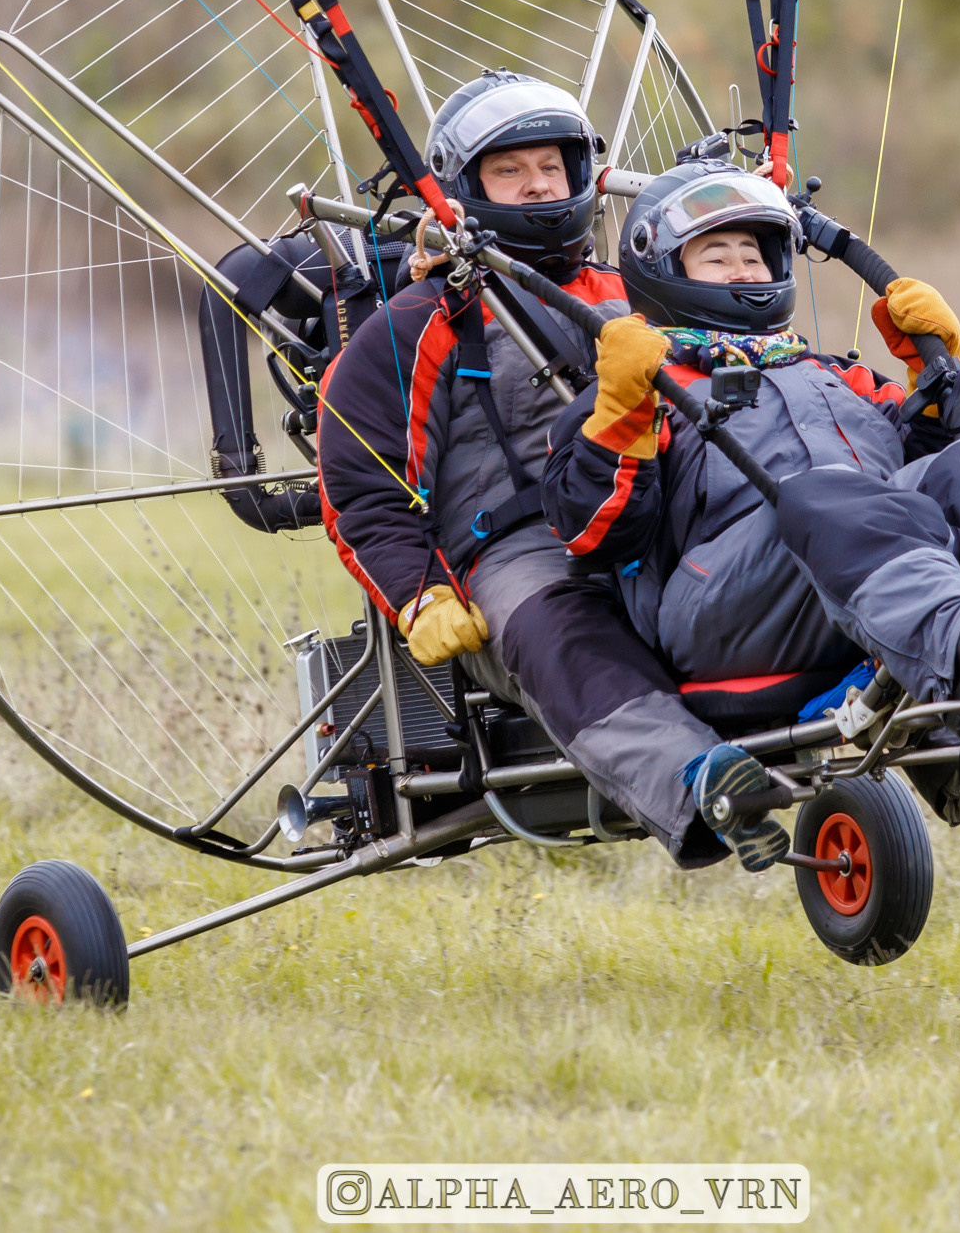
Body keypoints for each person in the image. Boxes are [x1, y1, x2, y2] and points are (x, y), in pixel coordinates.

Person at [539, 161, 960, 869]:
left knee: (957, 468)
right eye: (718, 255)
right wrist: (623, 408)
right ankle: (959, 634)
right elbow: (591, 530)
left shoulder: (830, 372)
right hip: (721, 620)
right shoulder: (629, 391)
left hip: (845, 592)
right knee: (822, 490)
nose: (743, 268)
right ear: (660, 269)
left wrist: (940, 380)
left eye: (754, 252)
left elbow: (923, 465)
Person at [313, 71, 732, 864]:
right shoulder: (414, 325)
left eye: (551, 166)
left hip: (655, 512)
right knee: (559, 630)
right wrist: (418, 592)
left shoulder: (633, 292)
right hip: (519, 555)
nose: (538, 185)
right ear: (466, 188)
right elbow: (358, 481)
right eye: (510, 170)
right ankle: (698, 781)